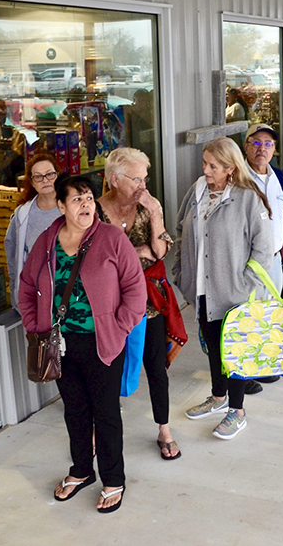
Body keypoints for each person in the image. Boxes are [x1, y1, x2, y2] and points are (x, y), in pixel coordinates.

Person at [18, 175, 146, 513]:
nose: (85, 204)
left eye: (88, 197)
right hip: (59, 344)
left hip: (103, 343)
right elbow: (27, 286)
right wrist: (34, 326)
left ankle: (113, 479)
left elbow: (136, 290)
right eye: (76, 199)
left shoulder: (112, 239)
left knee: (106, 413)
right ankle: (81, 470)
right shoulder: (47, 241)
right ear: (61, 206)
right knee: (75, 411)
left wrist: (118, 328)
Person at [176, 137, 273, 440]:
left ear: (231, 168)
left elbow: (264, 248)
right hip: (202, 288)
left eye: (213, 166)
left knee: (235, 351)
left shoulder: (247, 198)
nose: (206, 170)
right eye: (204, 163)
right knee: (212, 345)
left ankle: (237, 411)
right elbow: (180, 230)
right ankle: (218, 397)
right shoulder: (197, 191)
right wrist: (181, 272)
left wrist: (245, 285)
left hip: (234, 292)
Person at [95, 148, 184, 460]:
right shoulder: (95, 212)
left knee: (156, 367)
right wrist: (137, 252)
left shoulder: (148, 206)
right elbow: (99, 260)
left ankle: (164, 429)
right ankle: (99, 430)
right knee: (106, 368)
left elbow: (160, 252)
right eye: (136, 179)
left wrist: (155, 214)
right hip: (108, 305)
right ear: (114, 179)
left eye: (145, 178)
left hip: (148, 300)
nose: (142, 185)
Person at [242, 123, 283, 386]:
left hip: (274, 257)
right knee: (249, 312)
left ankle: (263, 362)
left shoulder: (278, 177)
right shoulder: (238, 178)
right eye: (256, 142)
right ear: (246, 146)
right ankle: (245, 369)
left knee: (270, 311)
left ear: (274, 149)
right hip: (248, 261)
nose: (262, 148)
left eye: (268, 143)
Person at [5, 154, 62, 309]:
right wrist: (16, 289)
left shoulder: (72, 208)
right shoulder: (23, 214)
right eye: (38, 177)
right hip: (37, 296)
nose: (45, 180)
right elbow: (13, 254)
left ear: (58, 175)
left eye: (50, 174)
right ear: (32, 182)